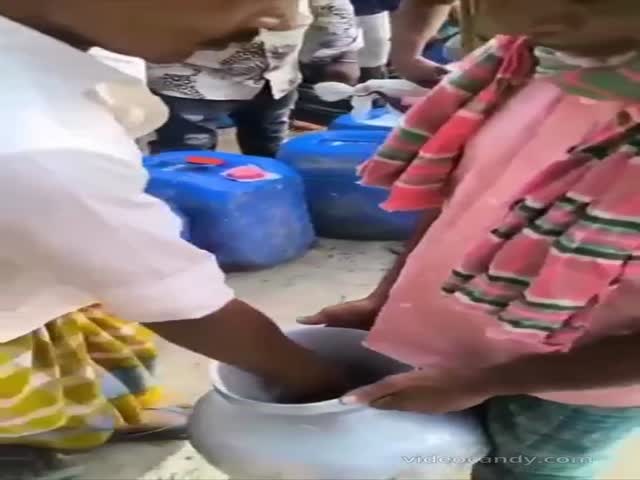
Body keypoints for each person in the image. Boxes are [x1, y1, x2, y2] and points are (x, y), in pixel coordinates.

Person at [0, 1, 346, 477]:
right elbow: (178, 301)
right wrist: (319, 380)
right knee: (18, 420)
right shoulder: (33, 142)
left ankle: (87, 417)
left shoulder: (74, 42)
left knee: (72, 351)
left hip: (28, 280)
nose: (283, 19)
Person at [303, 0, 640, 478]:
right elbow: (462, 197)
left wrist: (489, 382)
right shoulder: (522, 65)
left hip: (575, 387)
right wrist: (386, 296)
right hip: (458, 344)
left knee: (522, 470)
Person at [147, 0, 361, 157]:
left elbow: (332, 8)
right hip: (188, 78)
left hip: (274, 77)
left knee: (270, 150)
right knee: (187, 159)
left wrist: (340, 53)